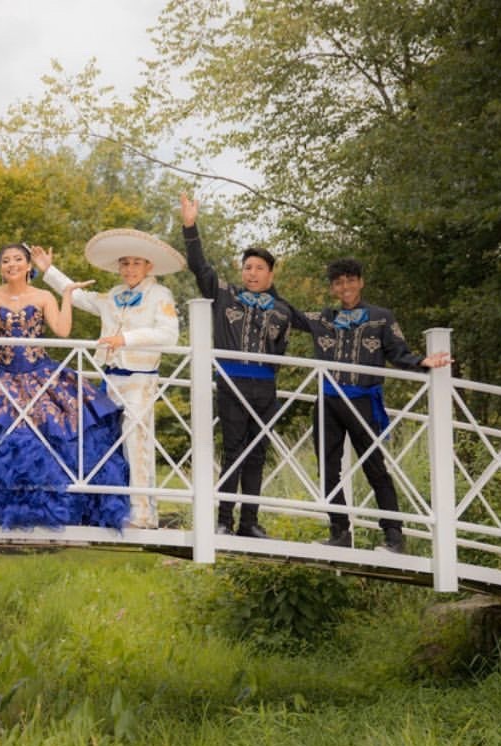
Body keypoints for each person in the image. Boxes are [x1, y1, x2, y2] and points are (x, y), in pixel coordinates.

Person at [0, 242, 131, 530]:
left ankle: (57, 507)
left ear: (29, 266)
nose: (12, 264)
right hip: (0, 374)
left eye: (18, 259)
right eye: (6, 260)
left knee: (58, 431)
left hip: (39, 373)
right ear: (0, 268)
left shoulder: (43, 296)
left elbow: (62, 330)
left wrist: (66, 295)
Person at [288, 257, 452, 553]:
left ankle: (393, 536)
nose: (346, 286)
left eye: (351, 280)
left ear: (361, 282)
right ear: (332, 288)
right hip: (328, 402)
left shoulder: (381, 317)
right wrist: (264, 283)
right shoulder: (323, 319)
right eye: (339, 282)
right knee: (328, 469)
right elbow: (289, 314)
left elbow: (398, 352)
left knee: (375, 468)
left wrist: (422, 362)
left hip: (363, 401)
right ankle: (340, 532)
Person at [31, 229, 184, 529]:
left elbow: (169, 335)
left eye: (136, 263)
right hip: (110, 379)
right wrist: (49, 271)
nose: (129, 269)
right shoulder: (114, 295)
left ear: (148, 266)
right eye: (124, 263)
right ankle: (112, 510)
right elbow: (81, 299)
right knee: (108, 443)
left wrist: (125, 338)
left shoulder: (159, 295)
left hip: (140, 378)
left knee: (136, 442)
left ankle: (143, 513)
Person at [180, 193, 294, 538]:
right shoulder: (225, 293)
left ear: (271, 273)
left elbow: (287, 347)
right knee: (234, 450)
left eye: (259, 268)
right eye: (248, 267)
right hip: (231, 381)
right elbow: (200, 267)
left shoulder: (283, 309)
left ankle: (250, 522)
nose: (252, 273)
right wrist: (190, 226)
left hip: (265, 387)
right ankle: (224, 520)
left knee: (258, 453)